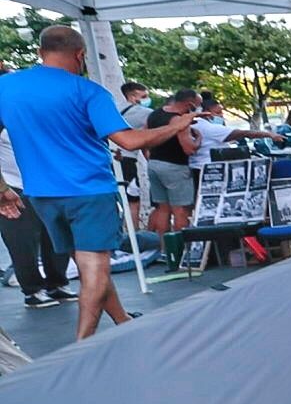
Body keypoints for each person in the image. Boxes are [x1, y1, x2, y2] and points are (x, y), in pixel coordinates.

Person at [0, 25, 196, 339]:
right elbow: (129, 141)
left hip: (42, 196)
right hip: (89, 193)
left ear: (40, 52)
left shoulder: (6, 87)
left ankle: (123, 322)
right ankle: (82, 347)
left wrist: (2, 189)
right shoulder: (87, 91)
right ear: (80, 55)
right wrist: (177, 126)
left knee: (94, 267)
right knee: (94, 269)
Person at [0, 70, 72, 309]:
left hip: (47, 184)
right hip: (14, 188)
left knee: (57, 236)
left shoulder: (30, 113)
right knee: (22, 242)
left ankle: (57, 283)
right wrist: (3, 188)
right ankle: (32, 290)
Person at [144, 88, 201, 235]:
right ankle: (181, 250)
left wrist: (150, 157)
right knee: (180, 210)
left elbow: (144, 138)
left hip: (154, 164)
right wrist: (199, 138)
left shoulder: (154, 114)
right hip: (175, 167)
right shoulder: (180, 121)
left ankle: (164, 248)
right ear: (190, 104)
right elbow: (189, 149)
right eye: (197, 105)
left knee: (162, 209)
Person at [189, 93, 280, 177]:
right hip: (209, 170)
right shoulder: (209, 128)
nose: (221, 116)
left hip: (201, 167)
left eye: (222, 113)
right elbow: (244, 133)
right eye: (218, 113)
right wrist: (270, 135)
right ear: (205, 112)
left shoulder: (196, 124)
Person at [115, 81, 150, 207]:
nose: (147, 100)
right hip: (127, 160)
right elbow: (146, 140)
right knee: (132, 200)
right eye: (144, 96)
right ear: (132, 97)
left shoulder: (113, 108)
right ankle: (134, 226)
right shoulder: (145, 113)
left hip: (109, 158)